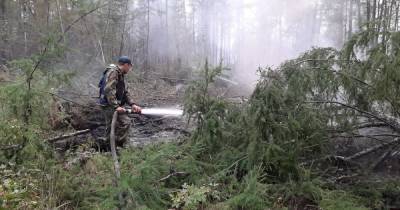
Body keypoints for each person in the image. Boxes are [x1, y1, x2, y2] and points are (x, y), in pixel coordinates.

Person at [100, 56, 142, 147]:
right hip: (108, 105)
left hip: (112, 104)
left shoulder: (120, 74)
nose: (130, 69)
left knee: (115, 125)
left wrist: (132, 104)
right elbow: (108, 90)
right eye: (130, 67)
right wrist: (116, 106)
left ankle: (113, 145)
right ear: (126, 65)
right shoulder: (114, 72)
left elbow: (125, 92)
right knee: (118, 124)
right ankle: (112, 146)